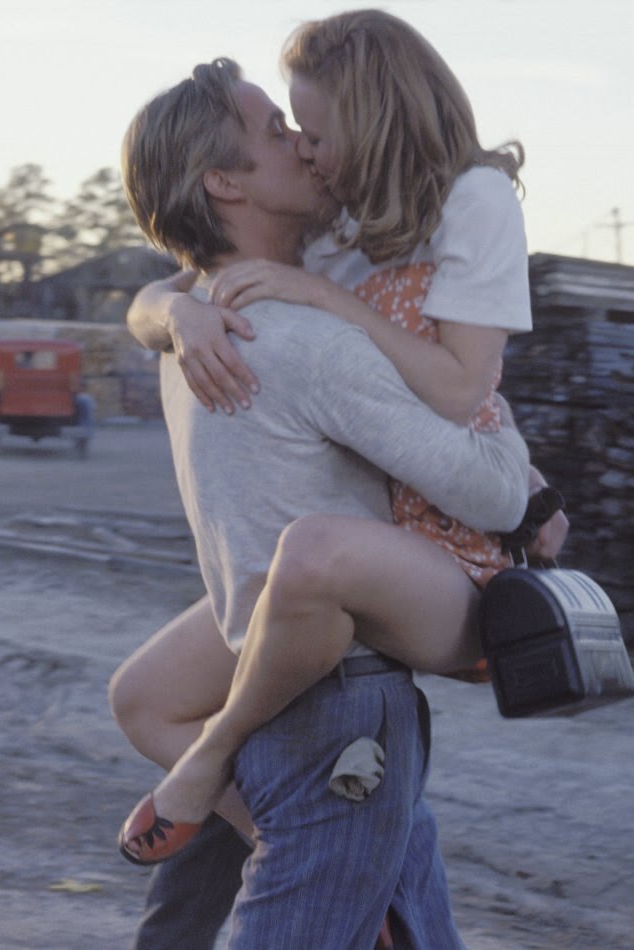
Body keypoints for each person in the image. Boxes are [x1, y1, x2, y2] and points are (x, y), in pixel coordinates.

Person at [112, 7, 566, 878]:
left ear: (367, 121)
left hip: (446, 558)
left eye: (310, 132)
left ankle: (222, 767)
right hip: (372, 543)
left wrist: (533, 488)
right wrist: (176, 314)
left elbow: (464, 393)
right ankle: (290, 849)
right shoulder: (323, 235)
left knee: (312, 554)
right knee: (141, 696)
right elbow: (156, 293)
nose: (304, 148)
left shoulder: (457, 211)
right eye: (284, 132)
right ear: (226, 182)